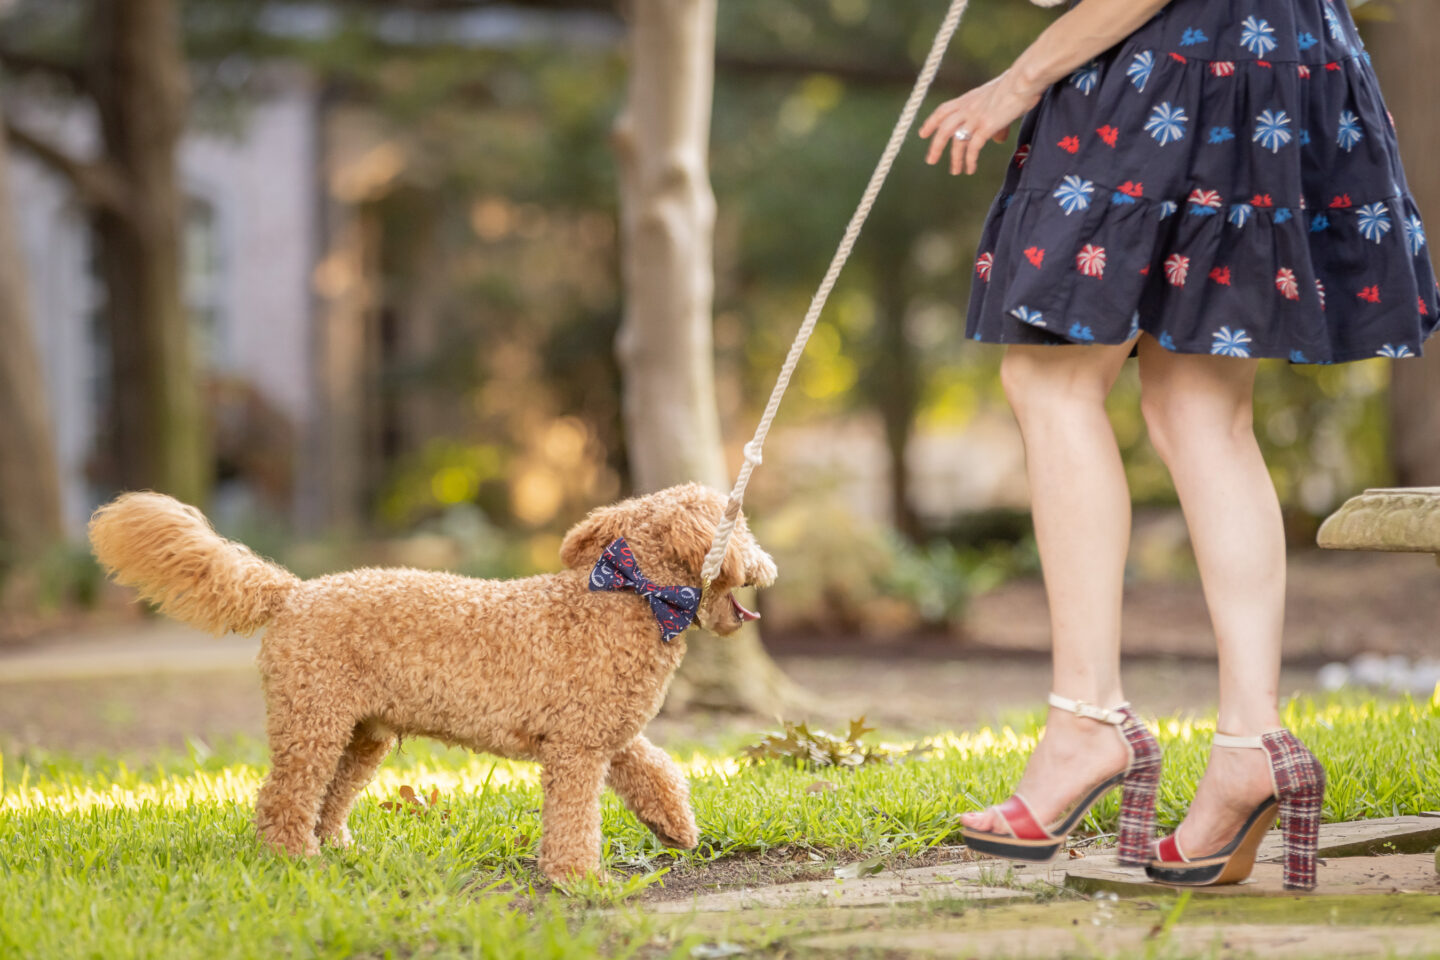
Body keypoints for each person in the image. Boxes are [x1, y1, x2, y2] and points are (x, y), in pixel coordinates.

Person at [919, 0, 1437, 890]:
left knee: (1052, 380)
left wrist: (1019, 77)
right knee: (1201, 408)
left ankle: (1088, 718)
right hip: (1278, 60)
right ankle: (1249, 742)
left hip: (1178, 63)